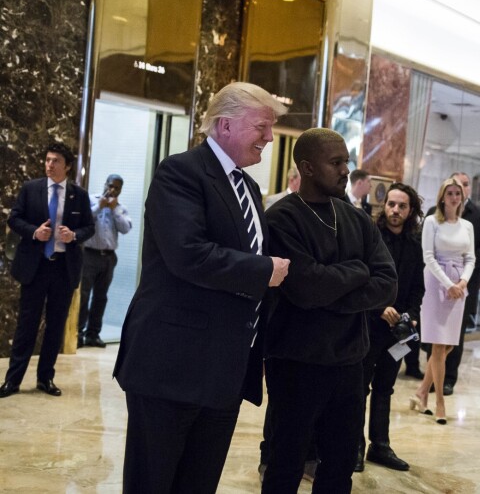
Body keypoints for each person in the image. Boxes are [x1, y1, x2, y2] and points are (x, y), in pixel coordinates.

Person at [113, 82, 290, 494]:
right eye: (262, 126)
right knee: (152, 482)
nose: (269, 138)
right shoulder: (180, 171)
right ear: (225, 125)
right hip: (171, 365)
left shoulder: (247, 187)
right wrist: (263, 270)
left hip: (224, 370)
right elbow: (187, 254)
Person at [261, 128, 397, 494]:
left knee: (339, 466)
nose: (345, 171)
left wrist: (330, 293)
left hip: (350, 361)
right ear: (306, 167)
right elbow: (306, 288)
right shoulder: (281, 219)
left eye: (346, 162)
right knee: (285, 462)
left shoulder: (357, 219)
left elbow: (387, 283)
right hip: (296, 361)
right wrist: (357, 271)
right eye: (335, 163)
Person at [0, 142, 94, 399]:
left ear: (67, 166)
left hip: (63, 270)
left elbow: (89, 228)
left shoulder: (79, 195)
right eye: (48, 160)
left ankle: (45, 378)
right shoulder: (31, 189)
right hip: (35, 267)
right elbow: (14, 218)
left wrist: (73, 235)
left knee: (55, 327)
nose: (50, 165)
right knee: (26, 325)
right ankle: (12, 380)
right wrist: (34, 232)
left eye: (56, 161)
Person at [355, 182, 425, 473]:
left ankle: (380, 446)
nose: (395, 210)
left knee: (385, 388)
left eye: (402, 206)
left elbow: (418, 289)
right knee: (359, 389)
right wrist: (379, 307)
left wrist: (409, 314)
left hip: (398, 332)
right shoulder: (371, 238)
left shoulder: (414, 244)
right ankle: (354, 446)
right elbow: (360, 278)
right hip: (370, 325)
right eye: (391, 205)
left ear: (411, 211)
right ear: (384, 207)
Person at [411, 178, 475, 424]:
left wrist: (462, 283)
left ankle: (420, 391)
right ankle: (439, 401)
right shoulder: (431, 221)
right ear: (442, 196)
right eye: (449, 193)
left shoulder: (467, 225)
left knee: (448, 346)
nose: (454, 197)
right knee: (438, 347)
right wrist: (448, 284)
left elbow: (470, 258)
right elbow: (428, 256)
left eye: (457, 193)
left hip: (459, 286)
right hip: (437, 285)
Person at [438, 172, 480, 395]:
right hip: (438, 284)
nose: (458, 191)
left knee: (455, 334)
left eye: (463, 186)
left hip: (464, 284)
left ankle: (449, 379)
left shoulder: (479, 216)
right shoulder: (437, 215)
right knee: (435, 333)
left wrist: (463, 263)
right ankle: (434, 374)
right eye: (453, 187)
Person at [78, 174, 132, 348]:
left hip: (108, 258)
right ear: (105, 184)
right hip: (90, 255)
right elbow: (82, 219)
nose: (113, 190)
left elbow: (125, 228)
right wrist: (99, 207)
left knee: (101, 297)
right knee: (84, 295)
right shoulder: (91, 200)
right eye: (111, 186)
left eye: (117, 188)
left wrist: (114, 210)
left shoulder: (120, 208)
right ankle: (78, 333)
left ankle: (93, 334)